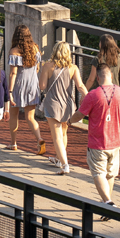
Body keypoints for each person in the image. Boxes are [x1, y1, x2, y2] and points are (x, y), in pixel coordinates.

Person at [69, 64, 120, 216]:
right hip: (116, 141)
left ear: (98, 78)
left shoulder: (93, 95)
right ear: (111, 75)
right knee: (110, 174)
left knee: (99, 173)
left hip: (97, 142)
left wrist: (69, 121)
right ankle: (107, 203)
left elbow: (80, 114)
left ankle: (107, 202)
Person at [37, 41, 87, 175]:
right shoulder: (73, 68)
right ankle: (59, 159)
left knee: (56, 136)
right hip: (68, 105)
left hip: (53, 104)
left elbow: (42, 86)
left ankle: (65, 164)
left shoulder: (47, 66)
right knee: (64, 133)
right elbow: (80, 86)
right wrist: (88, 98)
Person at [6, 25, 44, 154]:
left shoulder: (14, 51)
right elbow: (37, 69)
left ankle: (13, 143)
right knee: (30, 117)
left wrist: (10, 92)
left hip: (19, 86)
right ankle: (39, 139)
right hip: (33, 85)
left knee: (14, 115)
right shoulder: (35, 48)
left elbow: (13, 74)